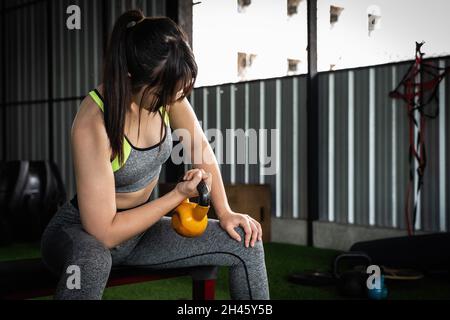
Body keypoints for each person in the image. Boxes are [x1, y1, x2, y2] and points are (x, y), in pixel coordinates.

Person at [40, 9, 270, 300]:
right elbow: (104, 233)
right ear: (132, 76)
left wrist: (224, 212)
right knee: (93, 261)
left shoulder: (167, 94)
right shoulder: (93, 121)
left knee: (245, 241)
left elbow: (201, 149)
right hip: (82, 236)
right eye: (166, 93)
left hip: (141, 232)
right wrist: (176, 196)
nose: (175, 99)